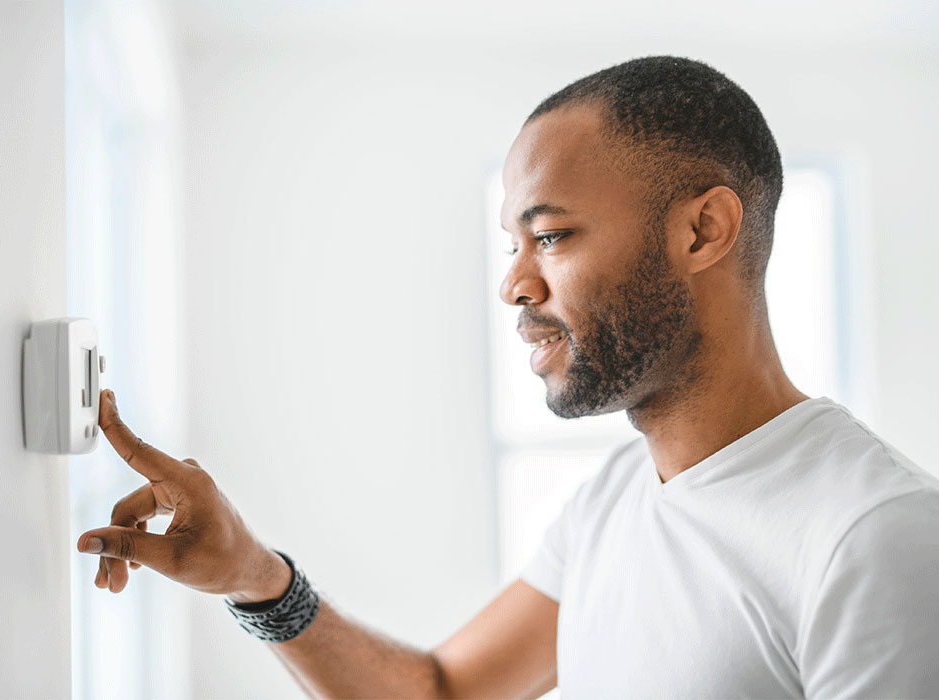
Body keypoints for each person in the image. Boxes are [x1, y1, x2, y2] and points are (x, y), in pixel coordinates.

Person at [78, 55, 939, 698]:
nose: (514, 284)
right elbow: (443, 692)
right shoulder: (615, 497)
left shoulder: (873, 538)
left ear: (703, 231)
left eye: (553, 236)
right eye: (512, 245)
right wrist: (254, 578)